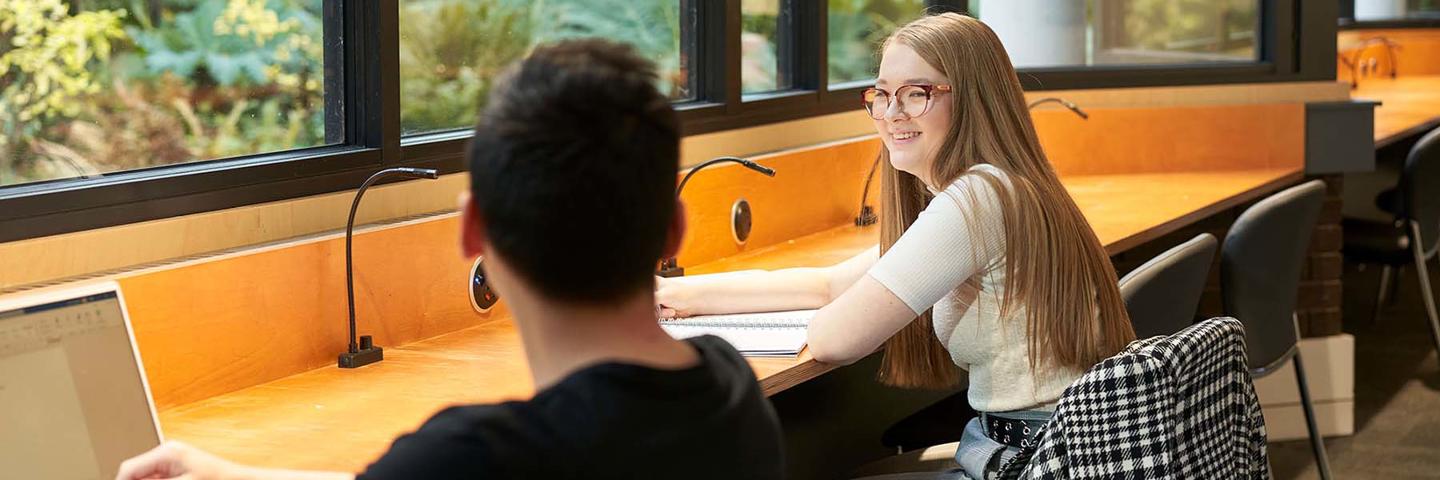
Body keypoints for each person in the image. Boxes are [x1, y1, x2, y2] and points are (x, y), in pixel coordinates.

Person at [116, 39, 785, 480]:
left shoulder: (480, 456)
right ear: (674, 231)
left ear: (472, 232)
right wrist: (220, 472)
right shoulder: (726, 387)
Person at [656, 13, 1135, 479]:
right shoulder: (1006, 186)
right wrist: (677, 293)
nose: (891, 114)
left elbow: (833, 339)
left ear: (974, 99)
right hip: (1057, 445)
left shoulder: (978, 199)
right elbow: (828, 284)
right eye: (882, 95)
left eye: (916, 94)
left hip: (1030, 459)